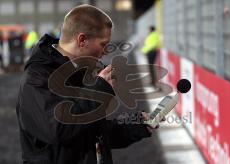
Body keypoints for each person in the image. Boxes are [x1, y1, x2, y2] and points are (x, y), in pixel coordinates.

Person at [16, 5, 161, 164]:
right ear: (82, 40)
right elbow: (60, 129)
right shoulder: (36, 78)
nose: (105, 51)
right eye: (103, 44)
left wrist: (138, 124)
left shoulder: (78, 73)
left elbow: (92, 131)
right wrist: (100, 89)